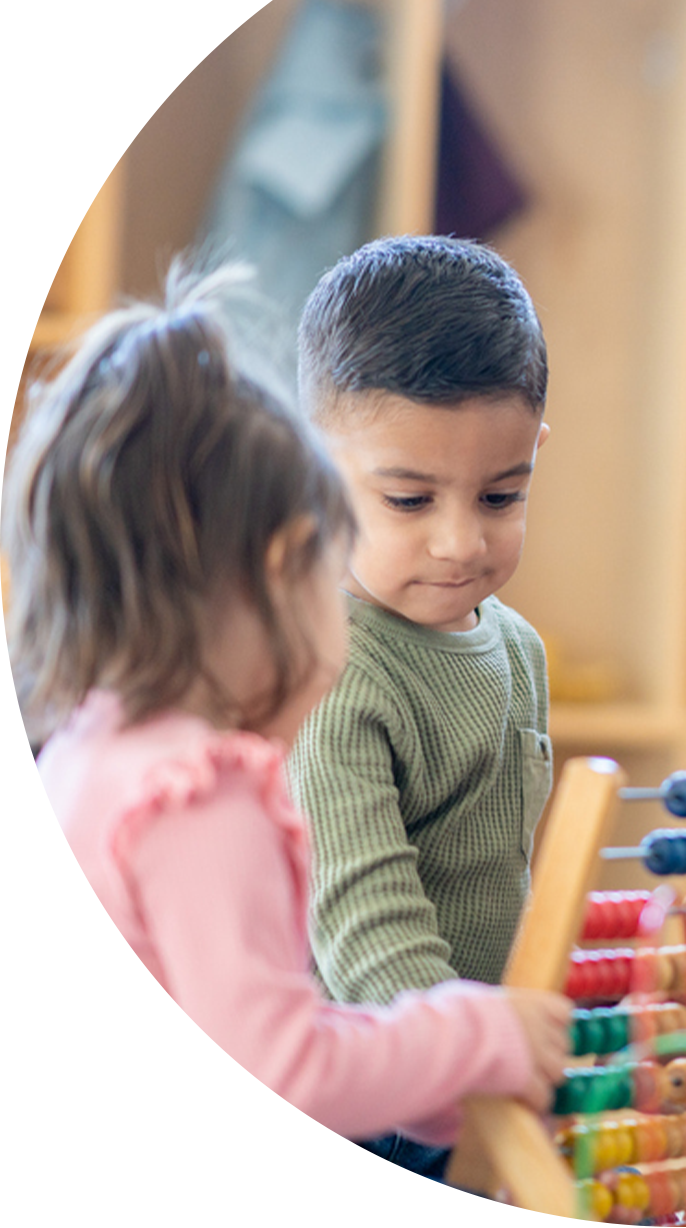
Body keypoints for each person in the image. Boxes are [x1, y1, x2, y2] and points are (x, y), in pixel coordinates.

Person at [0, 269, 570, 1227]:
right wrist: (475, 1035)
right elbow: (274, 1079)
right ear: (283, 572)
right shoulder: (197, 792)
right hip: (134, 1200)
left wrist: (466, 1068)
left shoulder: (95, 747)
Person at [287, 235, 552, 1176]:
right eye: (407, 500)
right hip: (363, 1094)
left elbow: (514, 885)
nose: (459, 542)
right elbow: (365, 929)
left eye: (500, 494)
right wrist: (474, 1067)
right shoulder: (333, 670)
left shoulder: (516, 651)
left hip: (464, 1072)